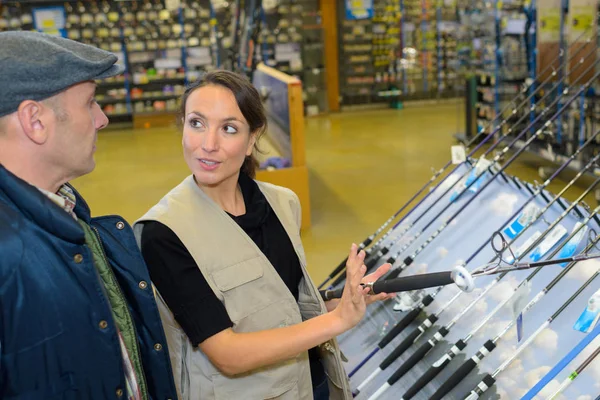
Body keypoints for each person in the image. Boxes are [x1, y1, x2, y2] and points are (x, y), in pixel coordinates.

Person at [134, 70, 394, 400]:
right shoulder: (164, 233)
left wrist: (344, 301)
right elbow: (228, 354)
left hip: (312, 384)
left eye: (228, 129)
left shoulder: (282, 203)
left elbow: (285, 307)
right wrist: (340, 320)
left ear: (253, 138)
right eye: (196, 123)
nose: (208, 144)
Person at [0, 31, 177, 399]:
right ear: (35, 120)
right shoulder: (10, 252)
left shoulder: (66, 211)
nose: (102, 120)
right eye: (91, 103)